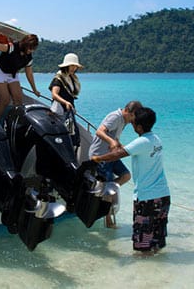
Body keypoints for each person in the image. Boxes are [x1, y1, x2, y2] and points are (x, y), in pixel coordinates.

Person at [91, 107, 170, 255]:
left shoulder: (141, 142)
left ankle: (144, 275)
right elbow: (129, 149)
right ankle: (158, 272)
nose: (132, 125)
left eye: (133, 123)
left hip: (147, 200)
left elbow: (118, 154)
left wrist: (97, 158)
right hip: (163, 197)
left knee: (143, 247)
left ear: (139, 126)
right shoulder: (156, 139)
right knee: (156, 243)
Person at [88, 100, 143, 228]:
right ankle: (108, 221)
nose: (134, 121)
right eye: (134, 116)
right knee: (109, 191)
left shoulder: (123, 121)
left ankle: (107, 189)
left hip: (111, 156)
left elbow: (115, 137)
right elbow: (100, 131)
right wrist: (111, 142)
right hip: (100, 156)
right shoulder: (115, 117)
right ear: (129, 112)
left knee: (126, 175)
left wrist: (122, 147)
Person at [0, 34, 41, 121]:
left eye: (33, 48)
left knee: (18, 100)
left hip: (12, 74)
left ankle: (16, 122)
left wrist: (34, 89)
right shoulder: (13, 47)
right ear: (25, 45)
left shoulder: (29, 58)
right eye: (30, 48)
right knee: (5, 100)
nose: (31, 50)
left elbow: (29, 74)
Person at [49, 53, 83, 147]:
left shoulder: (71, 78)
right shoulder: (58, 79)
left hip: (68, 111)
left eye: (75, 66)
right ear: (66, 65)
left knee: (71, 136)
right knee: (63, 135)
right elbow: (54, 95)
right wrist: (65, 102)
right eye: (72, 65)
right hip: (60, 112)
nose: (73, 68)